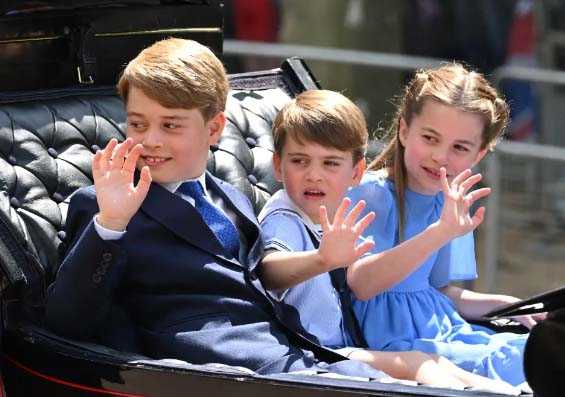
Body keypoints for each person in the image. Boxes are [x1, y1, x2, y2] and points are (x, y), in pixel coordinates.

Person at [43, 38, 387, 378]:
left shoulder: (232, 197)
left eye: (171, 125)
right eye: (138, 124)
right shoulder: (104, 206)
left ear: (214, 129)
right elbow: (65, 321)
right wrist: (111, 224)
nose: (150, 140)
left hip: (294, 351)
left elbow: (258, 283)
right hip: (213, 370)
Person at [258, 89, 518, 393]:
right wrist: (321, 259)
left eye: (330, 164)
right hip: (320, 353)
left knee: (439, 364)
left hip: (352, 344)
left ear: (354, 171)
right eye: (300, 161)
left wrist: (509, 307)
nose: (314, 175)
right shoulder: (287, 215)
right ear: (278, 165)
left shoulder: (328, 212)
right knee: (422, 364)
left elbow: (439, 290)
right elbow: (268, 270)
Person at [345, 63, 543, 387]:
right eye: (430, 138)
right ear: (405, 130)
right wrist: (440, 232)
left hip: (448, 332)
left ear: (478, 155)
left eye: (459, 148)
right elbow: (362, 284)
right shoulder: (371, 194)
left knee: (529, 348)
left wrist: (508, 306)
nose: (440, 156)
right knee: (528, 363)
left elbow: (442, 293)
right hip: (401, 346)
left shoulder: (451, 200)